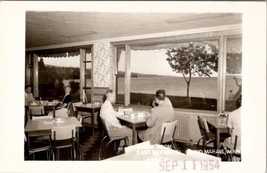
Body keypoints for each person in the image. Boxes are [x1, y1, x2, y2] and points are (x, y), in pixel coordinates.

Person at [223, 95, 241, 160]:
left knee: (225, 141)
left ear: (239, 102)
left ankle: (231, 159)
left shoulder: (232, 114)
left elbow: (230, 133)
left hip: (237, 145)